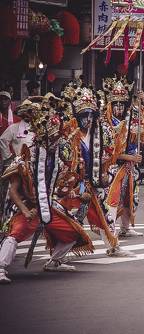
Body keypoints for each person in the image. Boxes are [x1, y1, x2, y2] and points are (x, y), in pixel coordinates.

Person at [0, 96, 95, 284]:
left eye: (56, 138)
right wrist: (26, 211)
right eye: (51, 138)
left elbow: (59, 189)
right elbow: (13, 191)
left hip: (48, 208)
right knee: (14, 234)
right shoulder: (24, 160)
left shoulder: (57, 162)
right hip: (28, 207)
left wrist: (77, 194)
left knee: (74, 233)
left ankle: (55, 260)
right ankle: (1, 267)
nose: (54, 142)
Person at [60, 79, 133, 257]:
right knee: (70, 222)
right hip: (74, 186)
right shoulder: (70, 136)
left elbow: (107, 155)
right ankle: (57, 257)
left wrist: (103, 171)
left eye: (91, 115)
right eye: (85, 116)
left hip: (93, 184)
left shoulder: (99, 132)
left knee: (103, 216)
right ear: (77, 116)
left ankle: (113, 246)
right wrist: (74, 187)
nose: (89, 120)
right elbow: (66, 165)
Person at [102, 77, 144, 237]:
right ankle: (110, 228)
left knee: (131, 197)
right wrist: (131, 157)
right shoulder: (106, 124)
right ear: (110, 106)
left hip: (129, 167)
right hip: (114, 167)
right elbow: (110, 153)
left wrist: (142, 99)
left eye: (122, 104)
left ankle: (126, 227)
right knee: (113, 197)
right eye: (116, 105)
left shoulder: (130, 120)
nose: (119, 108)